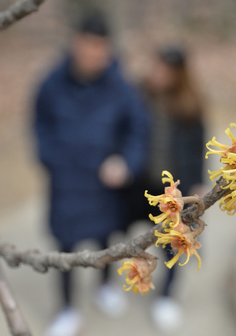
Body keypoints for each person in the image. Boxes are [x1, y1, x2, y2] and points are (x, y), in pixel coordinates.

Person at [33, 14, 149, 336]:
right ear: (75, 44)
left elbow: (138, 129)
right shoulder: (52, 83)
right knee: (65, 246)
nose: (93, 57)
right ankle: (67, 309)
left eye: (100, 51)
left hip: (105, 183)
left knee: (106, 238)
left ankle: (104, 287)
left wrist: (126, 162)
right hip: (66, 181)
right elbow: (40, 125)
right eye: (87, 49)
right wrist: (51, 160)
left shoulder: (121, 87)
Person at [128, 45, 206, 332]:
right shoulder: (137, 94)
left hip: (175, 187)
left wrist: (196, 182)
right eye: (155, 66)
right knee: (115, 227)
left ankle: (166, 297)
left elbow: (198, 146)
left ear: (177, 75)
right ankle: (118, 280)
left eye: (164, 70)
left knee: (174, 244)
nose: (156, 74)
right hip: (138, 183)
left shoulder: (189, 103)